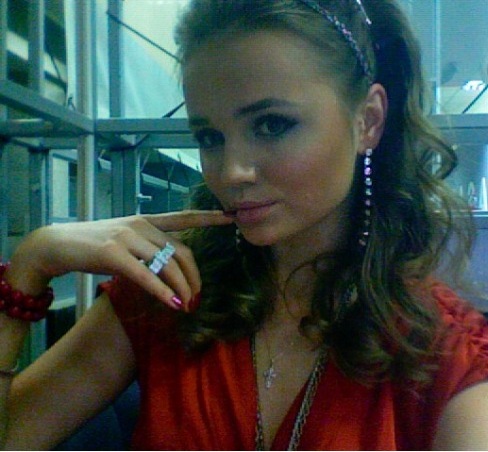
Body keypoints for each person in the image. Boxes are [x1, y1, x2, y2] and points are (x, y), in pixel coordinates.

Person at [1, 0, 488, 449]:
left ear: (368, 120)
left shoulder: (442, 353)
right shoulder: (167, 295)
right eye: (210, 137)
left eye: (271, 125)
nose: (231, 172)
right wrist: (31, 266)